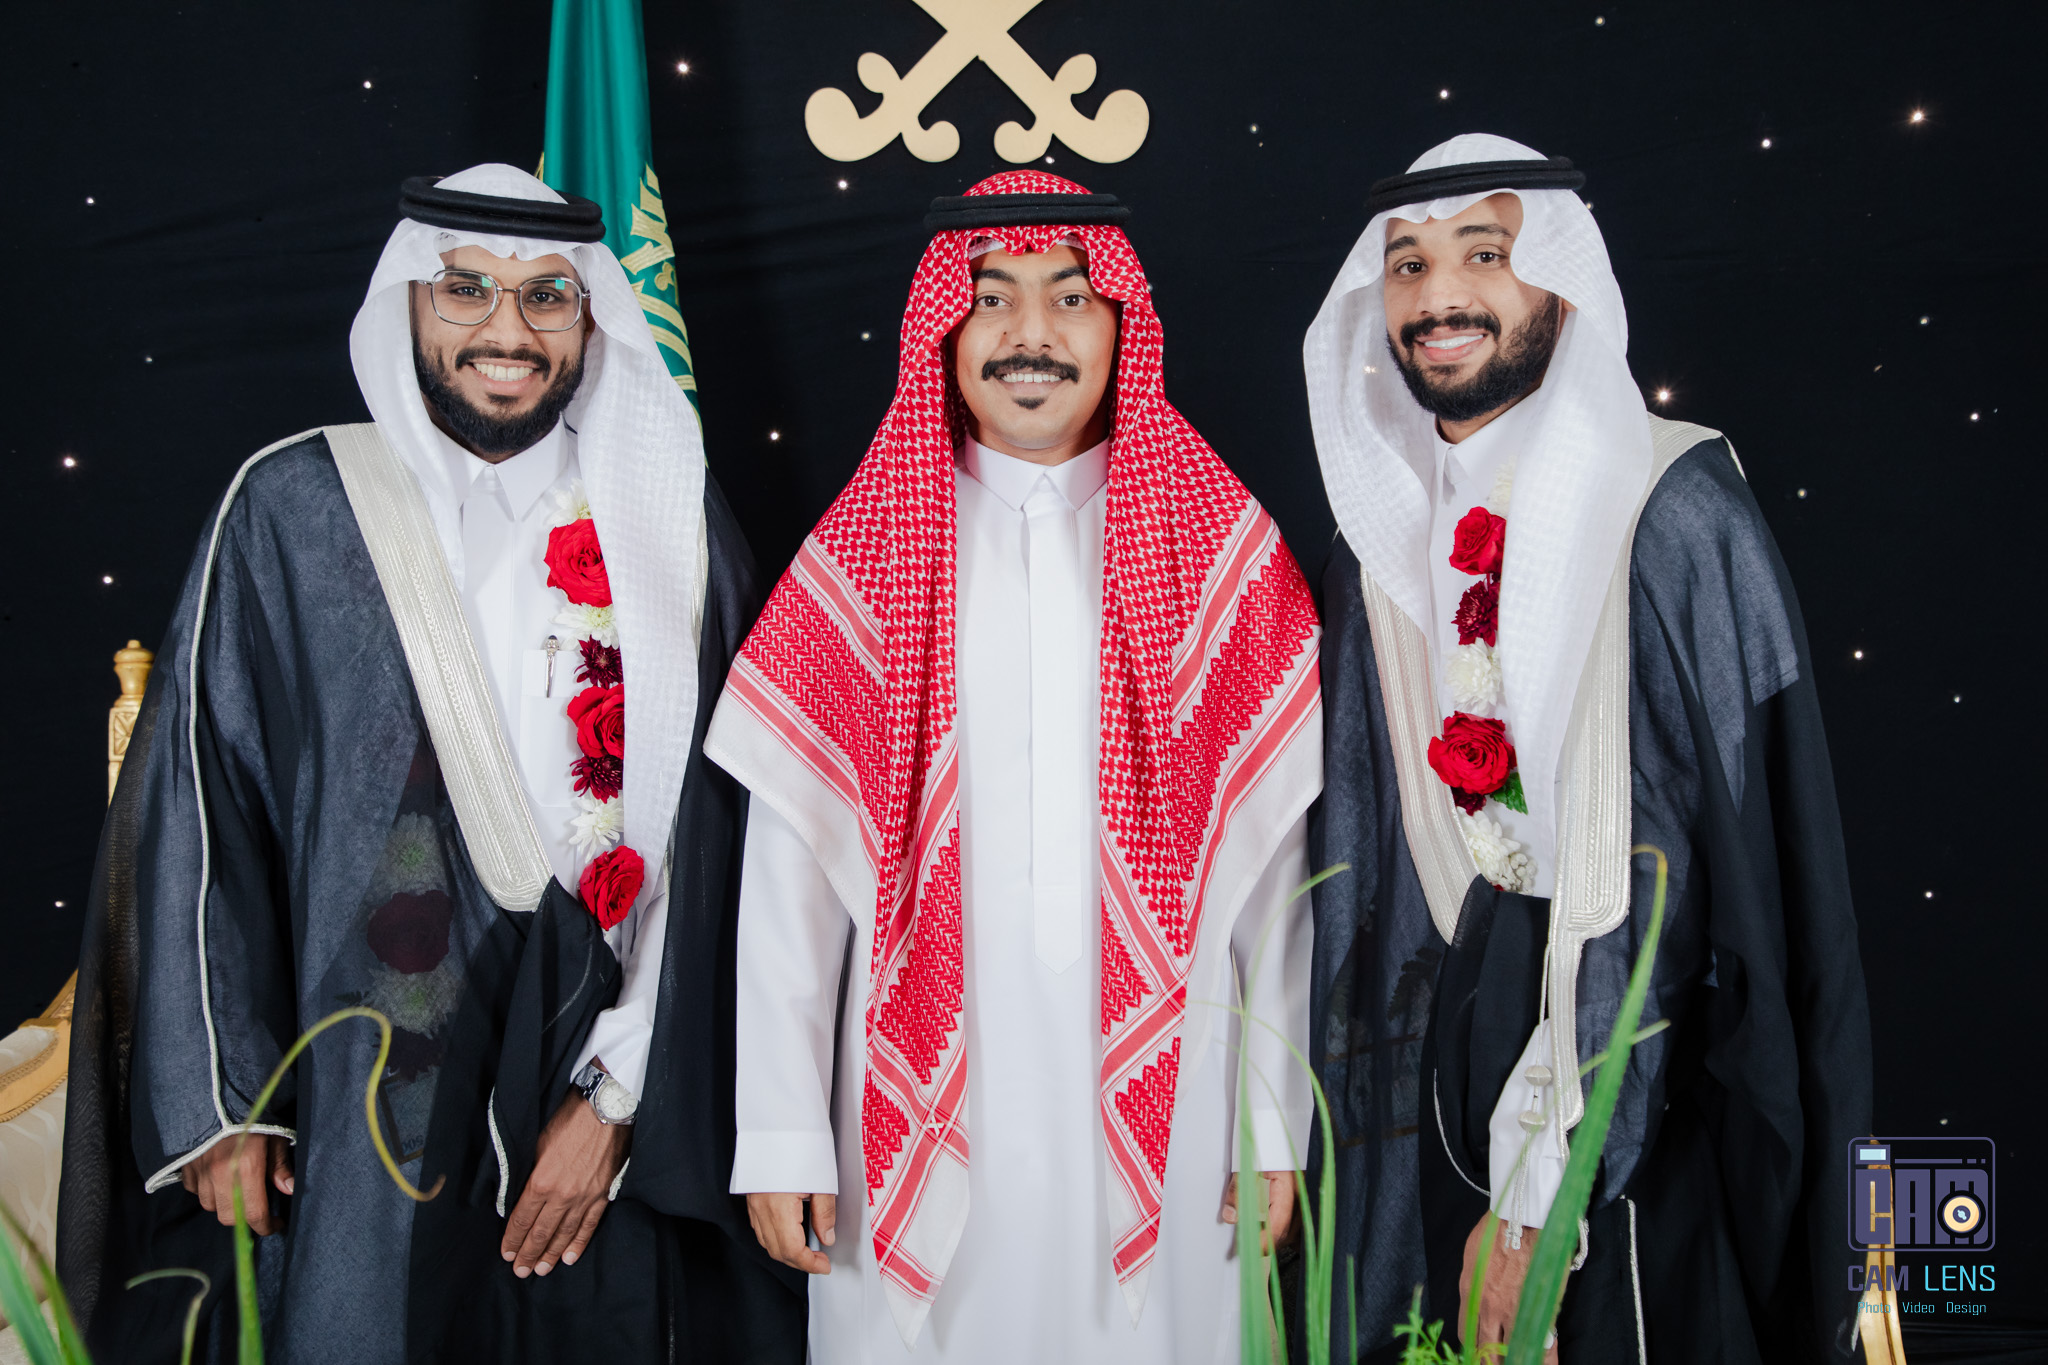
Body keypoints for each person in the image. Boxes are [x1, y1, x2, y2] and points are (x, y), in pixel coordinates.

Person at [58, 164, 804, 1364]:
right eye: (466, 290)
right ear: (406, 299)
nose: (507, 331)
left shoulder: (668, 521)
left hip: (593, 1072)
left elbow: (724, 835)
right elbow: (203, 803)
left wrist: (621, 1092)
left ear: (589, 319)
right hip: (354, 1088)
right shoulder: (295, 508)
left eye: (546, 296)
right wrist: (227, 1102)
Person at [704, 172, 1324, 1362]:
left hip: (1180, 1117)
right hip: (908, 1105)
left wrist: (1271, 1122)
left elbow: (1271, 883)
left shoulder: (1221, 554)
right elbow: (790, 881)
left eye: (1069, 298)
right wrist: (780, 1130)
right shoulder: (863, 557)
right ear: (942, 329)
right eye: (990, 297)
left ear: (1122, 326)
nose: (1028, 333)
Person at [1300, 135, 1872, 1362]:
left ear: (1560, 284)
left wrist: (1541, 1185)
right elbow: (1368, 869)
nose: (1439, 297)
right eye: (1407, 264)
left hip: (1650, 1073)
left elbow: (1680, 870)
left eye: (1484, 255)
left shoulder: (1672, 509)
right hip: (1451, 1065)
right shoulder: (1377, 543)